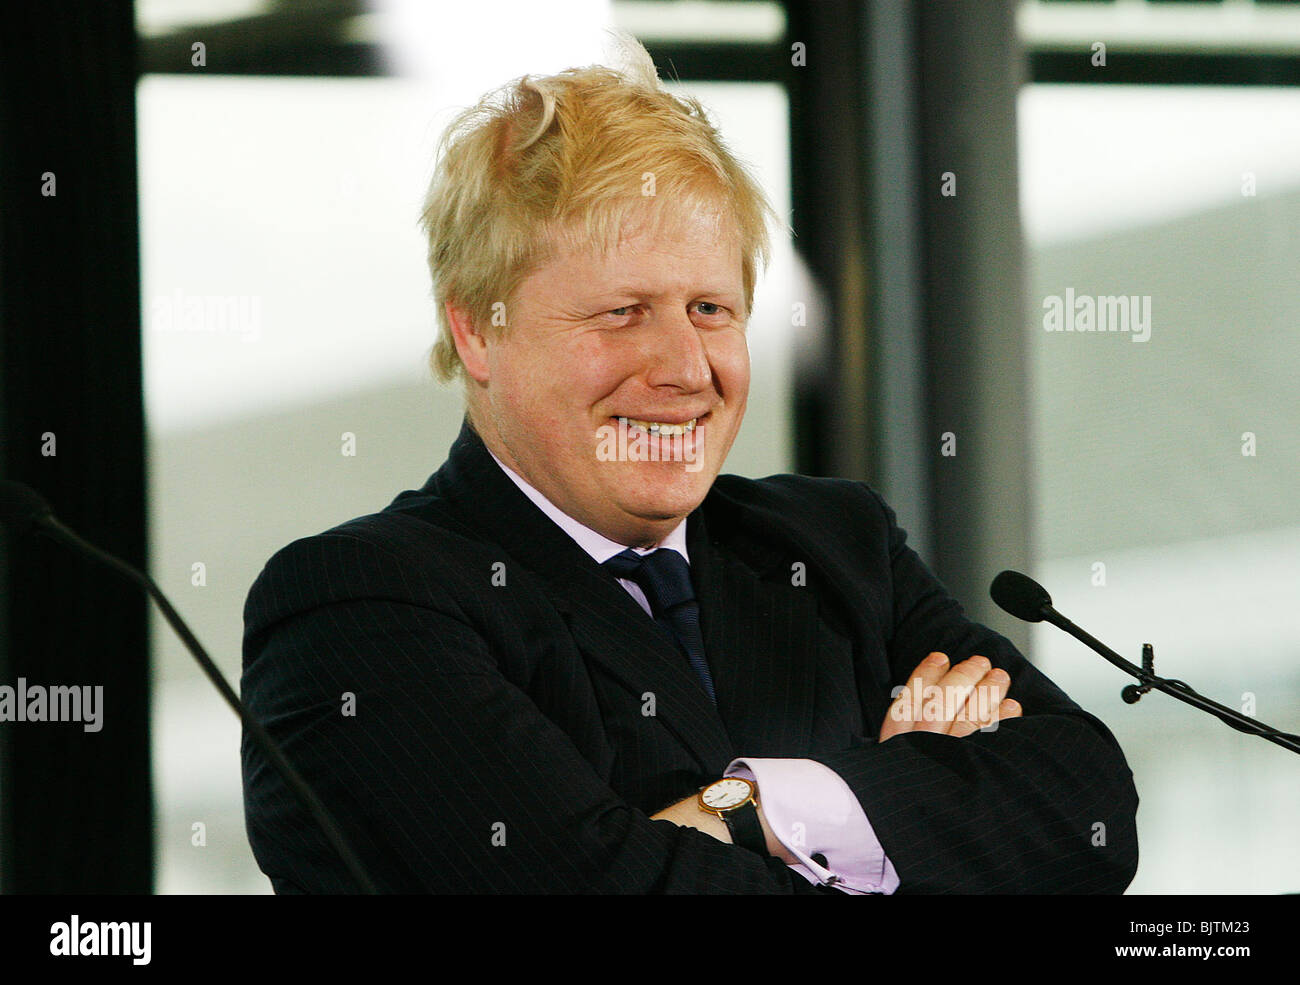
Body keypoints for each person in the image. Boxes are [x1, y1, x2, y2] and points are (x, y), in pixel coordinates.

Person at [240, 39, 1138, 894]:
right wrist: (899, 795)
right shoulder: (352, 605)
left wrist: (756, 810)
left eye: (712, 308)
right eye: (623, 312)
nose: (684, 368)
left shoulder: (833, 544)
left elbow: (1088, 805)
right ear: (479, 328)